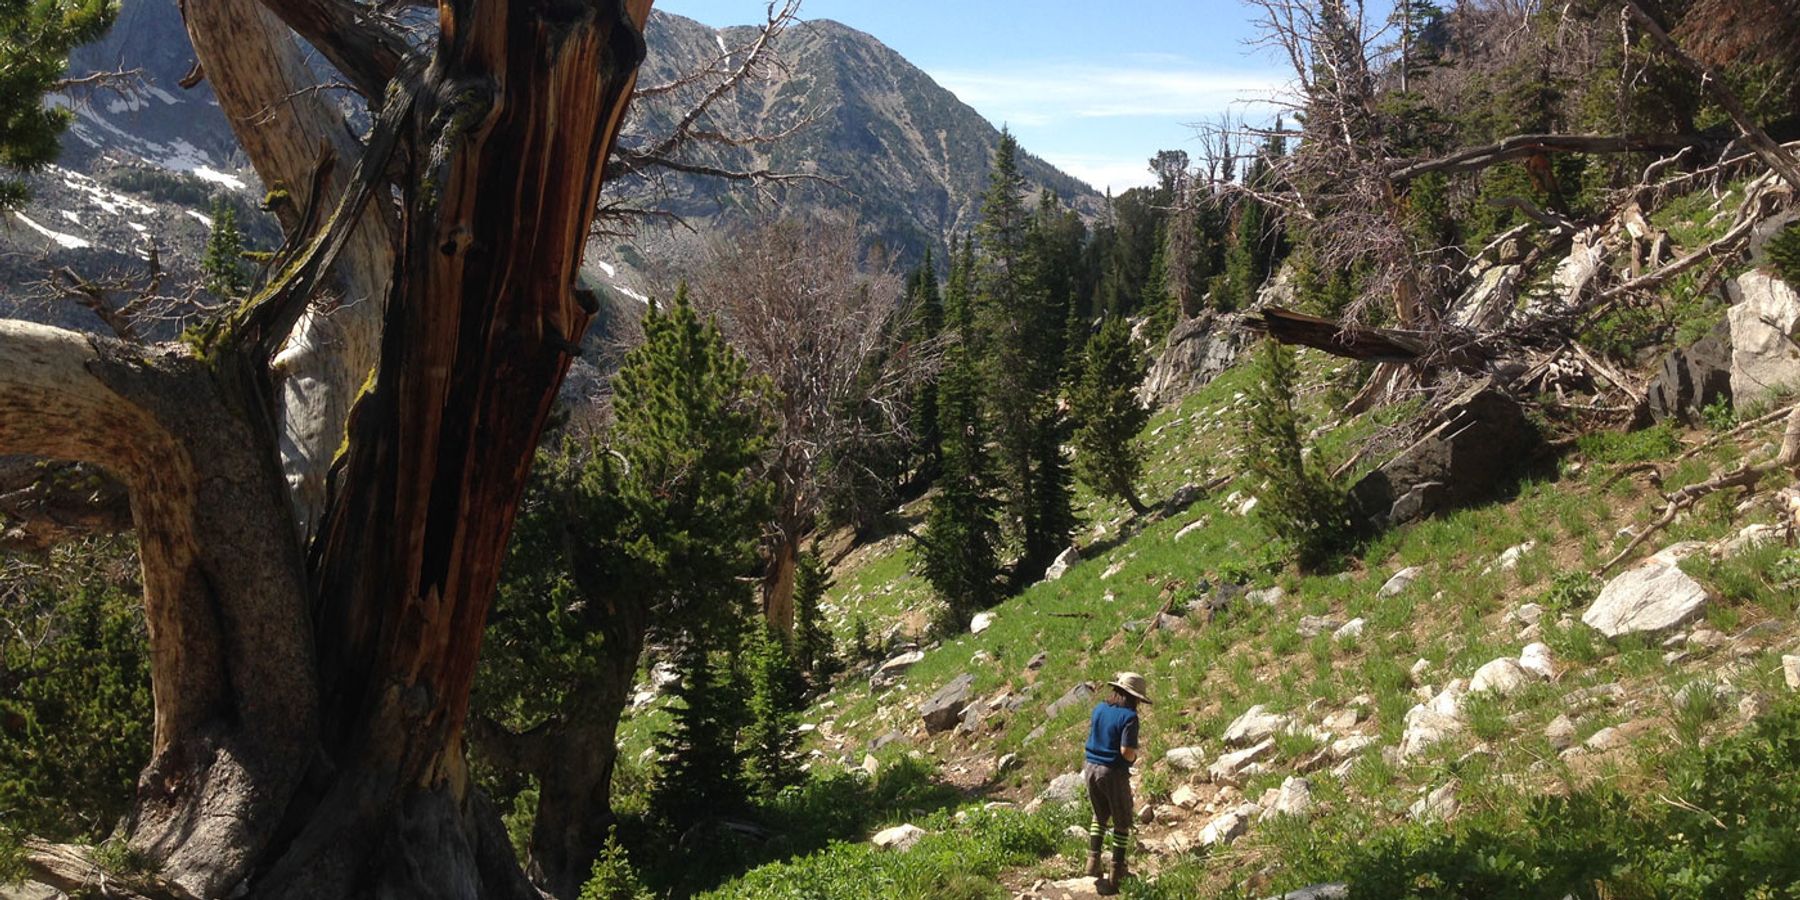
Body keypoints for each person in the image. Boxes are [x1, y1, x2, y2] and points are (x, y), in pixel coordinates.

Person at [1082, 671, 1149, 895]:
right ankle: (1116, 872)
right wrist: (1133, 758)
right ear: (1134, 697)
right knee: (1121, 819)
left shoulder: (1099, 708)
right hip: (1112, 771)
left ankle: (1092, 862)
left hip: (1090, 767)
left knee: (1099, 814)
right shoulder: (1129, 717)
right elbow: (1126, 751)